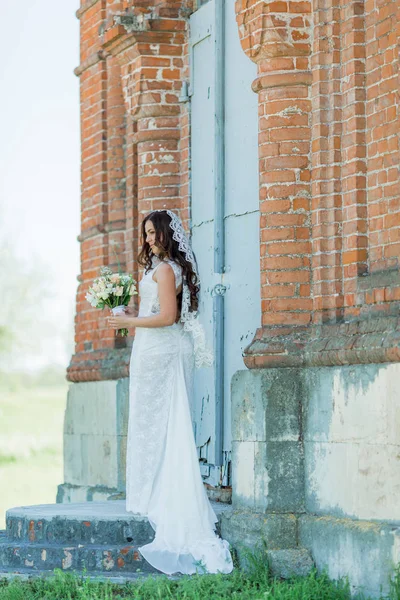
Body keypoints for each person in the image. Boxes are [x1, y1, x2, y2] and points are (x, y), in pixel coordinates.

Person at [107, 209, 234, 576]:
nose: (147, 239)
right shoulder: (162, 268)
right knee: (154, 420)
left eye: (152, 233)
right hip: (153, 348)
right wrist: (132, 311)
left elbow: (167, 317)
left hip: (160, 349)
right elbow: (156, 310)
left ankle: (157, 494)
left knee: (158, 421)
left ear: (166, 234)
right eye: (144, 233)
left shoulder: (164, 270)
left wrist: (130, 321)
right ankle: (150, 490)